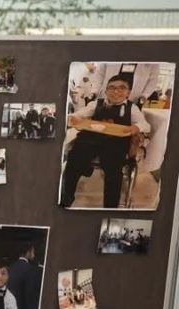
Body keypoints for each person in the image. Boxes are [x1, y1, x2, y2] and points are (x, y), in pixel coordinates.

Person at [60, 74, 151, 208]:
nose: (116, 91)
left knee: (113, 170)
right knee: (74, 159)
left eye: (122, 88)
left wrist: (137, 127)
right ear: (106, 91)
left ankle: (110, 207)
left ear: (128, 92)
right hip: (91, 140)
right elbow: (79, 114)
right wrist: (74, 117)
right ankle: (66, 199)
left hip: (116, 143)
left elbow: (146, 125)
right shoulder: (96, 104)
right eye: (112, 88)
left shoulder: (132, 108)